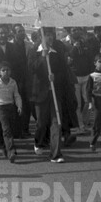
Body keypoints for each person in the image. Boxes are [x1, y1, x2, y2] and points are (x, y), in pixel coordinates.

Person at [29, 28, 69, 162]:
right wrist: (42, 57)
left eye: (51, 35)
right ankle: (39, 142)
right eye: (47, 35)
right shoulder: (34, 51)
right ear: (41, 37)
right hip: (40, 93)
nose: (50, 38)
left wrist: (55, 77)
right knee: (41, 122)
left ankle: (55, 154)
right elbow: (31, 69)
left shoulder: (57, 52)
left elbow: (64, 72)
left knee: (56, 122)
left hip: (55, 93)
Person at [0, 62, 22, 163]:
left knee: (11, 129)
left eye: (7, 70)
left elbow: (16, 95)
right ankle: (11, 151)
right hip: (1, 108)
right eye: (3, 70)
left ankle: (6, 148)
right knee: (6, 129)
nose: (6, 72)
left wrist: (19, 106)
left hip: (11, 107)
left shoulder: (13, 83)